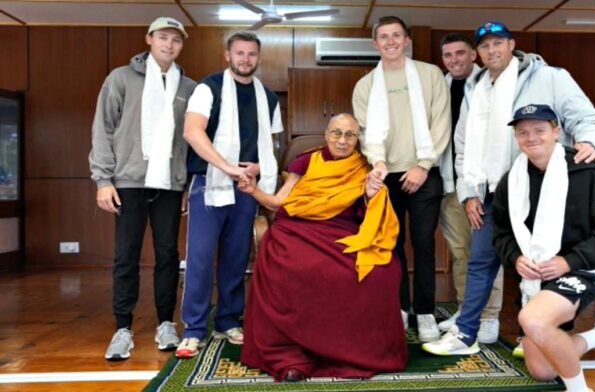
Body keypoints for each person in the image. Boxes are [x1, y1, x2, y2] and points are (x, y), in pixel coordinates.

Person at [423, 21, 595, 356]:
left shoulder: (549, 76)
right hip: (493, 192)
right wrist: (469, 192)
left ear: (511, 45)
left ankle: (537, 334)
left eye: (498, 44)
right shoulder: (475, 87)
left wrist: (589, 143)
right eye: (485, 46)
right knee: (480, 261)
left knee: (544, 261)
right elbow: (463, 145)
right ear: (478, 53)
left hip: (540, 188)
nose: (492, 51)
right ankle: (466, 335)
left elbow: (586, 117)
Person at [239, 113, 408, 381]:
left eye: (350, 135)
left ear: (357, 139)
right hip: (297, 229)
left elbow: (367, 210)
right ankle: (292, 351)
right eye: (336, 133)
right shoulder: (306, 161)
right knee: (292, 267)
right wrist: (253, 191)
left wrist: (371, 194)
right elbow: (276, 203)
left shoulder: (364, 166)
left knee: (382, 270)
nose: (342, 141)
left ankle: (355, 351)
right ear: (326, 134)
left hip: (342, 231)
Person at [495, 104, 595, 392]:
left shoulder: (587, 170)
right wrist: (516, 258)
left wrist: (569, 261)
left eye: (540, 130)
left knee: (533, 319)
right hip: (535, 276)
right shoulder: (511, 181)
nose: (531, 138)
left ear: (557, 132)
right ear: (516, 138)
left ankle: (580, 389)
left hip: (581, 268)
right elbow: (502, 233)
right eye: (523, 132)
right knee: (542, 370)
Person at [89, 17, 196, 361]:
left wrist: (184, 184)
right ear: (149, 39)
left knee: (168, 255)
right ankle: (123, 328)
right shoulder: (120, 78)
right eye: (163, 37)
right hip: (129, 181)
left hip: (169, 183)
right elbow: (103, 129)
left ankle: (166, 323)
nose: (169, 45)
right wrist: (103, 180)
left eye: (176, 40)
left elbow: (190, 141)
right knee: (126, 255)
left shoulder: (188, 87)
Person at [175, 31, 283, 358]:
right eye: (239, 53)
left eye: (251, 54)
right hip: (209, 183)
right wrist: (228, 167)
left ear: (258, 58)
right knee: (200, 259)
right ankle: (193, 329)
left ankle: (227, 321)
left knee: (237, 258)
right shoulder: (208, 88)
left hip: (247, 188)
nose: (245, 59)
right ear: (228, 55)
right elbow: (192, 132)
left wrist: (260, 168)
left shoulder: (268, 97)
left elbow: (274, 143)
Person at [352, 16, 450, 343]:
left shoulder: (430, 74)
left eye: (396, 35)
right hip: (386, 176)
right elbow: (365, 133)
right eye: (384, 36)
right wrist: (377, 163)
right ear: (375, 43)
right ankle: (399, 308)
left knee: (423, 245)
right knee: (391, 247)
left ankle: (424, 313)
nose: (391, 41)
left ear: (406, 40)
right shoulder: (365, 85)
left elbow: (441, 122)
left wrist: (423, 165)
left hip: (424, 174)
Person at [436, 32, 503, 342]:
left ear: (473, 55)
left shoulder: (491, 84)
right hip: (451, 182)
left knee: (486, 253)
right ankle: (467, 310)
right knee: (461, 252)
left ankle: (489, 317)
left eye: (460, 53)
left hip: (484, 187)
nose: (454, 60)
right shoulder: (443, 86)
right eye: (448, 55)